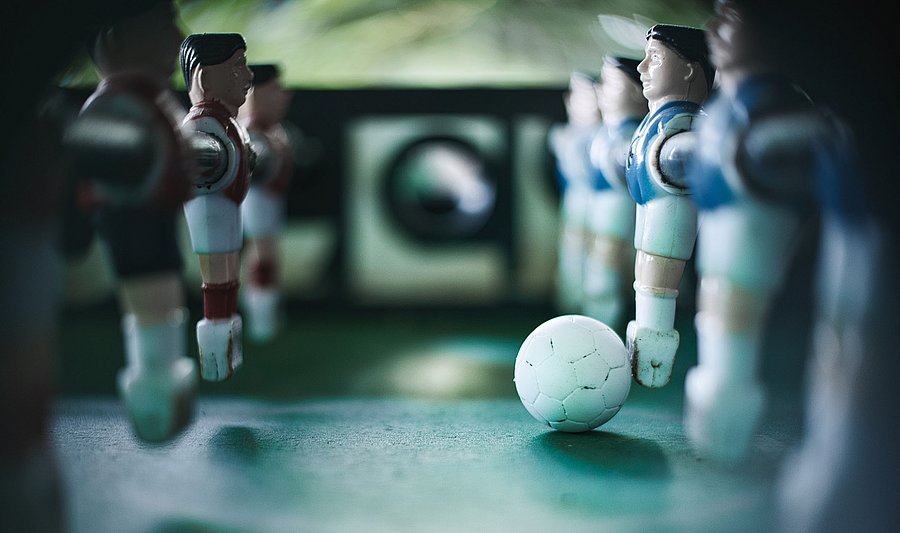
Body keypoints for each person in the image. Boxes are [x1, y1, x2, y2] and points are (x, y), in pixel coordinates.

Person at [71, 0, 197, 442]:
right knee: (150, 300)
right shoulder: (112, 107)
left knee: (162, 299)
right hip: (133, 222)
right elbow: (102, 175)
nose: (180, 37)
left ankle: (161, 383)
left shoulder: (148, 101)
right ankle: (154, 389)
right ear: (116, 38)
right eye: (165, 24)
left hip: (153, 218)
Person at [624, 24, 713, 388]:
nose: (642, 68)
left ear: (690, 68)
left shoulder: (686, 126)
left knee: (659, 271)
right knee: (645, 268)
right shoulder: (656, 120)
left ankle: (655, 354)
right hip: (649, 205)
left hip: (667, 207)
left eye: (656, 58)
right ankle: (645, 344)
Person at [180, 33, 254, 381]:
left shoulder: (229, 125)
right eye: (238, 66)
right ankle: (215, 350)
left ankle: (222, 346)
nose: (249, 76)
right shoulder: (201, 129)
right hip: (213, 210)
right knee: (216, 280)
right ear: (205, 78)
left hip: (227, 211)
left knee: (226, 280)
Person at [583, 56, 646, 330]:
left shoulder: (633, 134)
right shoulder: (606, 132)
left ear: (634, 91)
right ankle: (595, 315)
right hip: (601, 204)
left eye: (611, 84)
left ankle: (605, 321)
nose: (601, 91)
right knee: (598, 256)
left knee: (610, 258)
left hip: (618, 204)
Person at [237, 64, 293, 342]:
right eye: (274, 90)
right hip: (257, 200)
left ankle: (265, 313)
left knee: (266, 254)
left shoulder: (273, 129)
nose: (283, 96)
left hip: (270, 202)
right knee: (261, 255)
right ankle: (261, 318)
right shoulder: (250, 132)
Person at [547, 72, 601, 313]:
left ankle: (593, 309)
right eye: (575, 96)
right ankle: (569, 305)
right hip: (574, 199)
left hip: (598, 202)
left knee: (598, 257)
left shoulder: (601, 137)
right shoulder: (563, 135)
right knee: (571, 253)